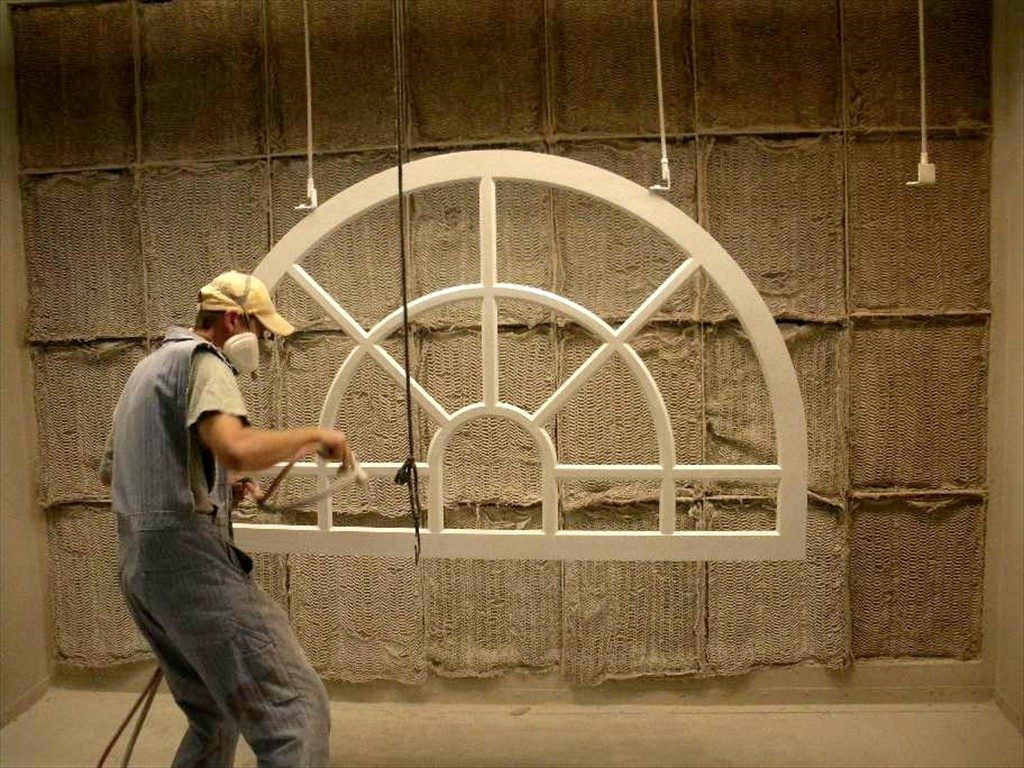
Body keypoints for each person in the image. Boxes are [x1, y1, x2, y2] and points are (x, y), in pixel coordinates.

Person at [101, 270, 347, 768]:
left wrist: (212, 485)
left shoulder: (147, 370)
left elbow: (117, 474)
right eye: (261, 331)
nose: (262, 344)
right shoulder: (204, 362)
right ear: (234, 319)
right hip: (190, 568)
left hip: (141, 570)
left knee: (214, 713)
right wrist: (317, 436)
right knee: (295, 711)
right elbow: (235, 447)